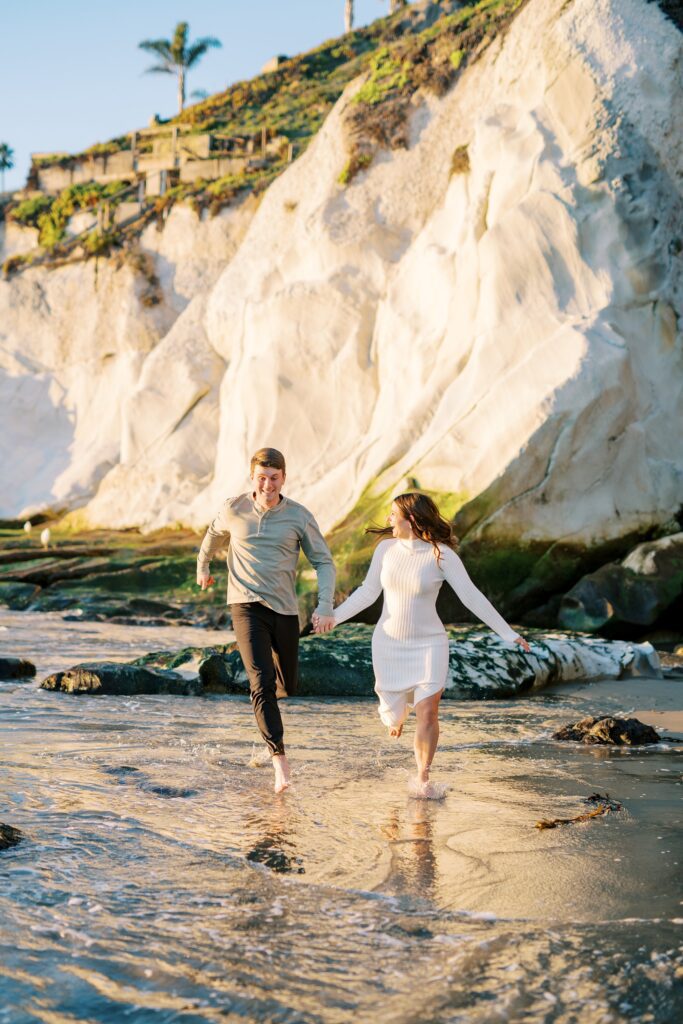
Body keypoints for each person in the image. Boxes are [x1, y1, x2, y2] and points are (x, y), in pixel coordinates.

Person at [317, 492, 530, 798]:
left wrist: (508, 634)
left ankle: (422, 778)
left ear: (411, 519)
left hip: (430, 643)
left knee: (428, 711)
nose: (389, 519)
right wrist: (333, 618)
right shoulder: (386, 550)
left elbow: (471, 597)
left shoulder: (441, 555)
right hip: (389, 643)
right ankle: (397, 713)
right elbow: (367, 592)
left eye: (394, 514)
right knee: (392, 714)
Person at [197, 448, 335, 793]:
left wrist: (326, 605)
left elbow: (324, 562)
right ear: (252, 477)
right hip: (244, 605)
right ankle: (280, 762)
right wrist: (204, 567)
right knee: (260, 682)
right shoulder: (234, 508)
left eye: (274, 478)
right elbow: (212, 536)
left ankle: (267, 724)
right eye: (262, 477)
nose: (268, 484)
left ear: (284, 478)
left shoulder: (299, 516)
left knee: (287, 684)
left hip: (285, 609)